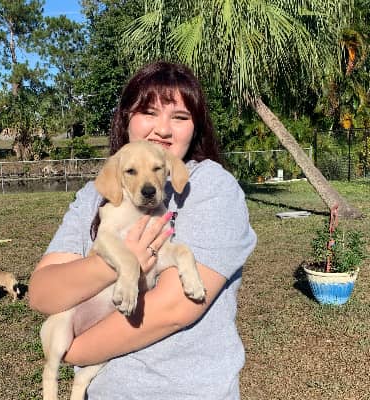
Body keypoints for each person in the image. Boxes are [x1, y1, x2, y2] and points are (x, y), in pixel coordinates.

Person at [29, 61, 257, 399]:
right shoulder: (94, 197)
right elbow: (42, 294)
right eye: (149, 112)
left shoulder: (209, 186)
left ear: (196, 127)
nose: (163, 129)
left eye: (180, 117)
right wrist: (119, 263)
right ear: (126, 118)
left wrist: (73, 351)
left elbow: (172, 309)